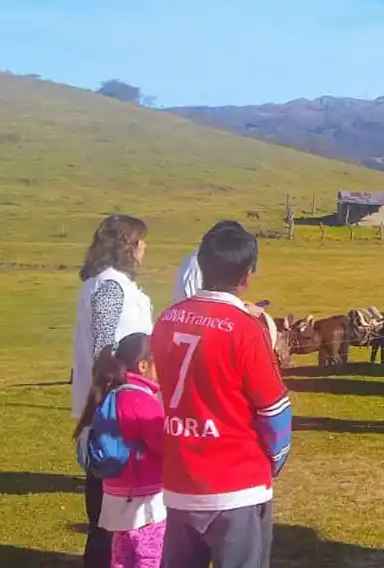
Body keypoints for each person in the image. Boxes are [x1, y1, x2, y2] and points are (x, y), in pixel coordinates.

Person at [153, 221, 292, 568]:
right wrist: (274, 461)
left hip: (180, 482)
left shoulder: (167, 320)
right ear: (248, 274)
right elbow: (274, 410)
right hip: (237, 486)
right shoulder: (245, 329)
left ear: (200, 264)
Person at [73, 214, 155, 568]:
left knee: (111, 510)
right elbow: (106, 350)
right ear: (127, 246)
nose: (145, 249)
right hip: (116, 411)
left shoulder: (106, 284)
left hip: (114, 405)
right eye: (140, 241)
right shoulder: (110, 286)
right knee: (112, 513)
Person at [74, 332, 166, 568]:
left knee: (122, 555)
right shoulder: (141, 401)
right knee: (148, 555)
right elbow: (163, 446)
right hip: (143, 497)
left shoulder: (112, 393)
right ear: (143, 365)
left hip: (115, 492)